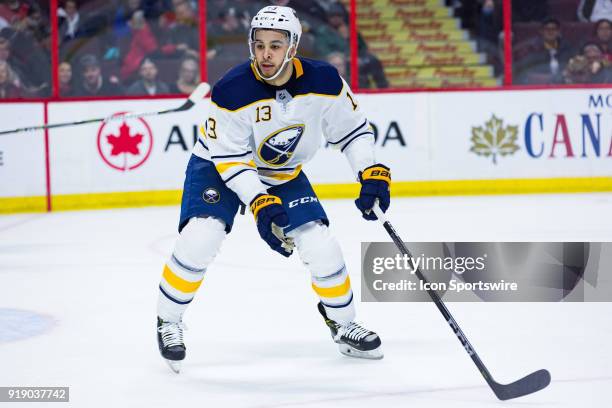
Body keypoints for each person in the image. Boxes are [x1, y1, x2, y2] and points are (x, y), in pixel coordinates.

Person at [156, 6, 390, 373]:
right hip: (217, 166)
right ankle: (168, 321)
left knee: (319, 242)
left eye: (276, 45)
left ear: (292, 47)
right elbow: (232, 161)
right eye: (260, 44)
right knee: (202, 236)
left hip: (280, 171)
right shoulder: (232, 89)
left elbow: (353, 131)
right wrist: (261, 204)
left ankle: (343, 324)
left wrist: (370, 171)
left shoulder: (325, 81)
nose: (266, 54)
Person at [514, 18, 574, 84]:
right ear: (541, 31)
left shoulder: (566, 48)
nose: (550, 32)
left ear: (558, 31)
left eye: (553, 29)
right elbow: (525, 70)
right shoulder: (533, 48)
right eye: (547, 29)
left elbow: (571, 67)